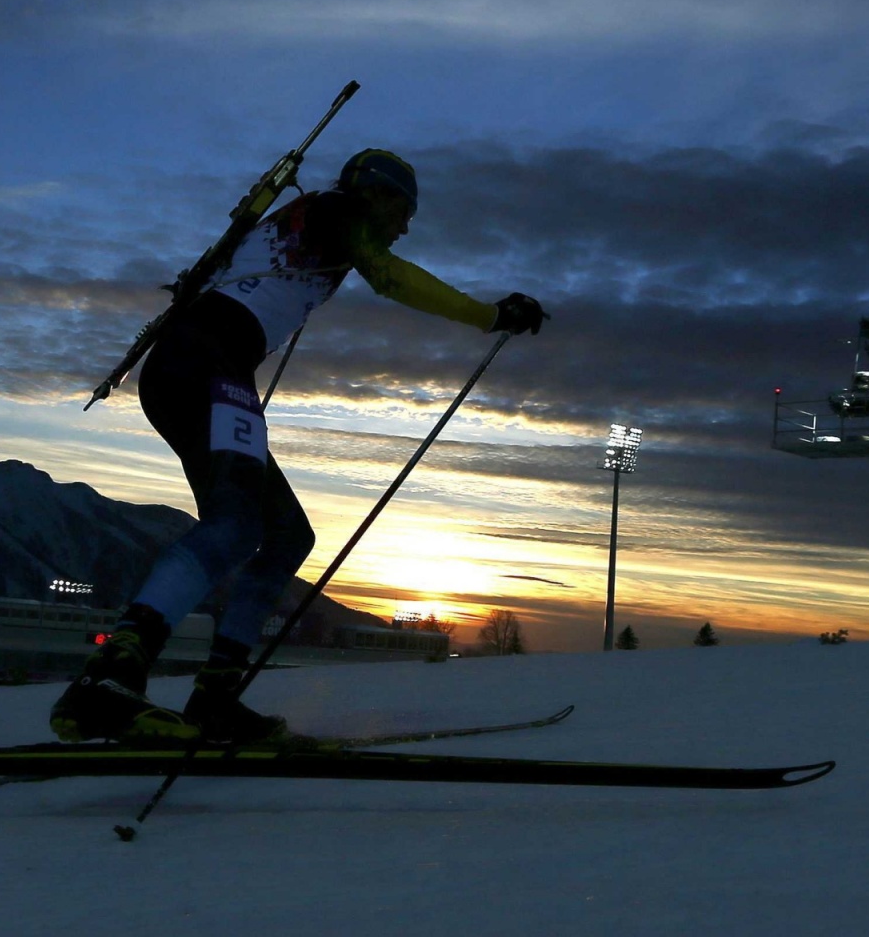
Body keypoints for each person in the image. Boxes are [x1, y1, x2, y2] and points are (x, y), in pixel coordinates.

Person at [50, 149, 546, 746]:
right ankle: (110, 677)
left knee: (285, 535)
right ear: (376, 194)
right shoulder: (338, 211)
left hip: (198, 367)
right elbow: (388, 275)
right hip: (208, 364)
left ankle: (213, 697)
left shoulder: (312, 215)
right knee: (236, 527)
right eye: (404, 209)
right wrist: (490, 315)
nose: (406, 224)